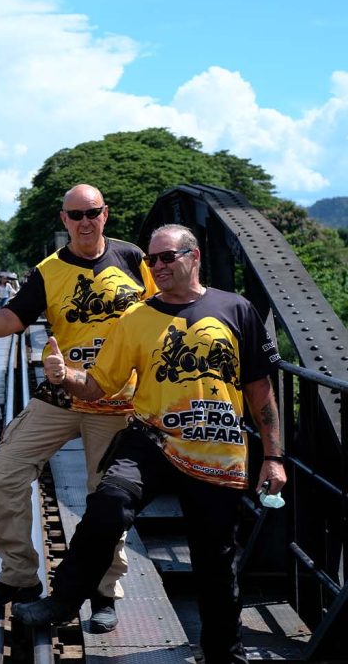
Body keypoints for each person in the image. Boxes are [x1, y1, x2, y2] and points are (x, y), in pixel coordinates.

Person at [14, 224, 286, 664]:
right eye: (152, 259)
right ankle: (64, 599)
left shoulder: (236, 309)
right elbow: (100, 385)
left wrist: (272, 457)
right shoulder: (136, 317)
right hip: (150, 440)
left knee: (215, 559)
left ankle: (224, 652)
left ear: (193, 257)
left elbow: (260, 390)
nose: (156, 266)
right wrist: (66, 377)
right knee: (107, 505)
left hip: (217, 452)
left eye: (166, 258)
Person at [0, 183, 156, 632]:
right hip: (62, 392)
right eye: (75, 214)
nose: (85, 221)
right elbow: (14, 317)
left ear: (105, 214)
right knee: (8, 470)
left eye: (92, 212)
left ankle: (104, 592)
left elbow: (164, 310)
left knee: (105, 497)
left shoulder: (133, 260)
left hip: (116, 399)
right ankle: (19, 578)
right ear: (64, 220)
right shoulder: (50, 270)